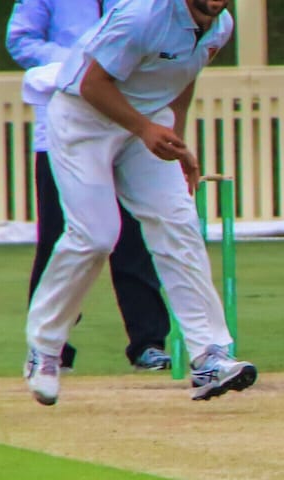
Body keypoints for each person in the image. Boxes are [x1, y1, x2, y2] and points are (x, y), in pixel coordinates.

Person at [23, 0, 253, 405]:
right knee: (96, 236)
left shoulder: (220, 27)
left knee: (177, 222)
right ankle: (44, 349)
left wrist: (175, 139)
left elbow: (182, 79)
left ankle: (208, 356)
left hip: (145, 123)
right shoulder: (143, 14)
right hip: (83, 118)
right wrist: (146, 128)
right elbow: (93, 84)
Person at [9, 0, 174, 373]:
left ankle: (148, 341)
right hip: (63, 132)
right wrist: (79, 60)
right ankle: (51, 346)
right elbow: (21, 40)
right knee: (59, 238)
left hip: (126, 128)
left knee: (133, 238)